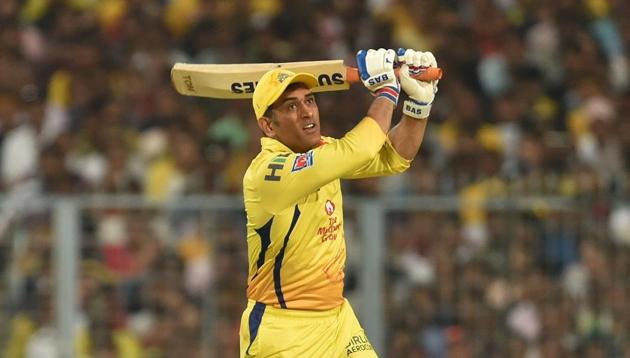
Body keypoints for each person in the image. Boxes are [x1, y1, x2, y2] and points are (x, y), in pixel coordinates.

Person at [239, 48, 439, 357]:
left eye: (309, 101)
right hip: (283, 329)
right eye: (291, 107)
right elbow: (357, 150)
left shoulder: (324, 153)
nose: (307, 112)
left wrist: (418, 105)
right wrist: (387, 90)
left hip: (336, 319)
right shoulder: (267, 172)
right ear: (268, 126)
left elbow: (395, 156)